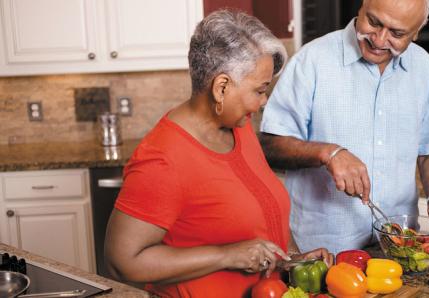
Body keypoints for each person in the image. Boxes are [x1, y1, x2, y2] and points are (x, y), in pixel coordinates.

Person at [104, 10, 332, 298]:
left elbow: (262, 213)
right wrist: (225, 255)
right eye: (260, 90)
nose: (263, 102)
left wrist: (293, 261)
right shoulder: (162, 159)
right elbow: (121, 262)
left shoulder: (239, 126)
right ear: (221, 87)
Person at [259, 0, 429, 254]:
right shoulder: (311, 61)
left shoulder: (424, 68)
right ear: (362, 6)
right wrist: (327, 153)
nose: (379, 40)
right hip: (320, 251)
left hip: (398, 248)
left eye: (397, 33)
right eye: (374, 22)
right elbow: (268, 145)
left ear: (417, 31)